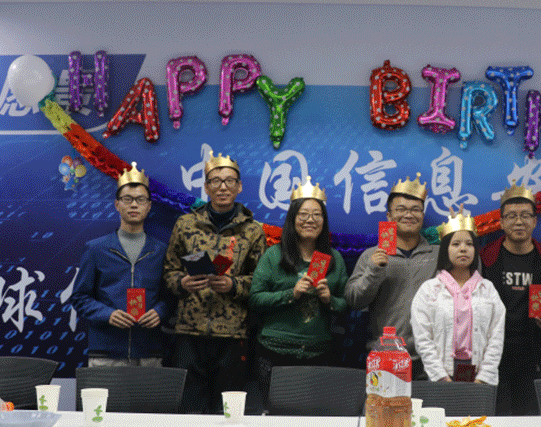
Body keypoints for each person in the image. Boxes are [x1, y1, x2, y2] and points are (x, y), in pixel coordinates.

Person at [162, 152, 266, 414]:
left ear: (239, 187)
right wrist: (182, 282)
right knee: (189, 411)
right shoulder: (186, 224)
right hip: (189, 331)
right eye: (216, 181)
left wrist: (233, 286)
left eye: (230, 181)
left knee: (228, 412)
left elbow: (260, 282)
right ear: (206, 187)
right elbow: (169, 271)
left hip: (233, 334)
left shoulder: (252, 230)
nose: (223, 187)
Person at [249, 177, 348, 403]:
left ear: (324, 221)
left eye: (317, 215)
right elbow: (254, 299)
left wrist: (329, 299)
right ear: (292, 219)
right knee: (276, 413)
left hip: (318, 352)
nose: (310, 220)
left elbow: (347, 304)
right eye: (303, 214)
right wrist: (290, 294)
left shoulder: (334, 259)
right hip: (274, 351)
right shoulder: (274, 255)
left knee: (313, 415)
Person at [70, 163, 168, 367]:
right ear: (117, 204)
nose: (134, 205)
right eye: (127, 199)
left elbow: (170, 296)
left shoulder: (161, 251)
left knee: (149, 391)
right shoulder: (96, 249)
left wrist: (159, 311)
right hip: (107, 353)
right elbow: (79, 297)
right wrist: (108, 314)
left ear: (149, 206)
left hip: (149, 352)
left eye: (140, 200)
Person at [479, 184, 541, 416]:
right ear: (501, 222)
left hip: (533, 354)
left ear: (535, 221)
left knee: (529, 417)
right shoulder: (485, 260)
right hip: (493, 353)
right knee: (493, 416)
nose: (519, 222)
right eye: (512, 216)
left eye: (525, 215)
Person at [345, 173, 438, 380]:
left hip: (431, 361)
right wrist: (374, 269)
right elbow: (354, 300)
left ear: (422, 215)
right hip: (385, 358)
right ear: (389, 216)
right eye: (401, 209)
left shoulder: (438, 256)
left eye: (416, 209)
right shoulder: (371, 255)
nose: (409, 215)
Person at [410, 208, 505, 385]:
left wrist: (483, 378)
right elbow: (423, 339)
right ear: (445, 250)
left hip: (479, 375)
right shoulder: (429, 290)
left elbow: (496, 337)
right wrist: (441, 377)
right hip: (440, 375)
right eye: (456, 244)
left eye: (469, 244)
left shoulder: (488, 289)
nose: (463, 249)